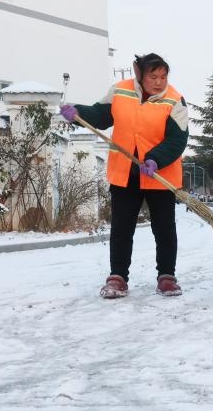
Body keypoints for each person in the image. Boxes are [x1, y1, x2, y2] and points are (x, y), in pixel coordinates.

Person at [60, 53, 189, 299]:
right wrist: (77, 113)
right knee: (121, 228)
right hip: (125, 172)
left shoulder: (174, 100)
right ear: (140, 74)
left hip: (159, 174)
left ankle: (167, 277)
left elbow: (178, 139)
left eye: (163, 76)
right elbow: (100, 115)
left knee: (163, 228)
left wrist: (155, 159)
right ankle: (117, 277)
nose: (159, 82)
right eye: (153, 76)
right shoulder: (120, 91)